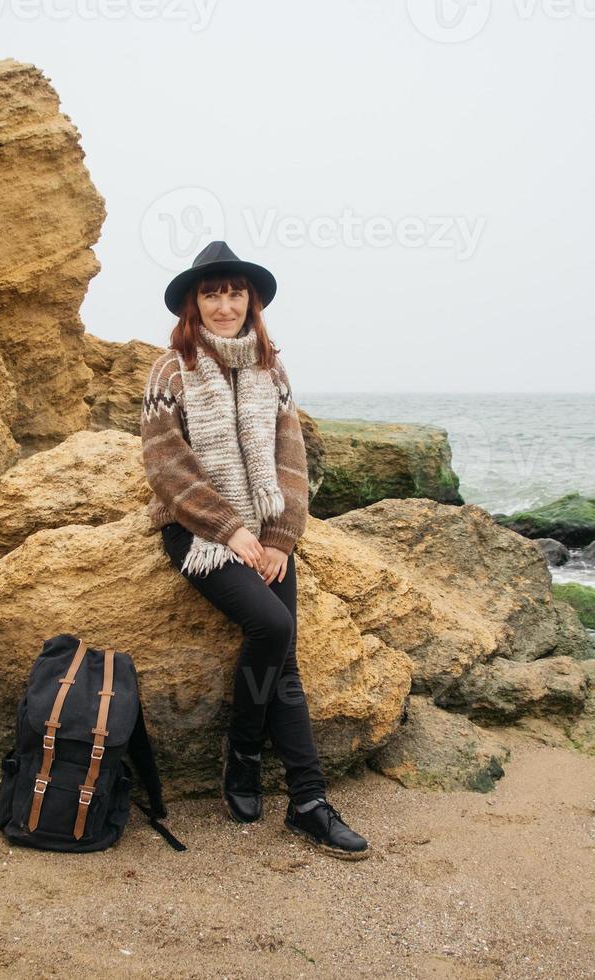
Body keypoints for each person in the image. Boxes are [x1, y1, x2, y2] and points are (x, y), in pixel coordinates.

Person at [139, 240, 369, 860]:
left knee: (282, 653)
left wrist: (278, 538)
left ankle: (308, 802)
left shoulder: (272, 369)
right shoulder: (171, 370)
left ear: (252, 300)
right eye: (212, 293)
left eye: (235, 292)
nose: (224, 304)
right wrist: (231, 531)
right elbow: (166, 465)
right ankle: (241, 752)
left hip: (265, 529)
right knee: (271, 625)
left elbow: (288, 458)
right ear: (195, 302)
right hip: (196, 532)